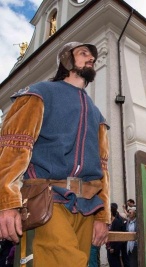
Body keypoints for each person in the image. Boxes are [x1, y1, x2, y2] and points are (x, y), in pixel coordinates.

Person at [0, 41, 111, 266]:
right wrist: (6, 202)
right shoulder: (40, 93)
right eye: (83, 54)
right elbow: (14, 146)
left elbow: (103, 168)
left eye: (92, 56)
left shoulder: (97, 115)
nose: (91, 58)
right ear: (67, 60)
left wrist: (103, 217)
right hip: (46, 199)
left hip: (87, 207)